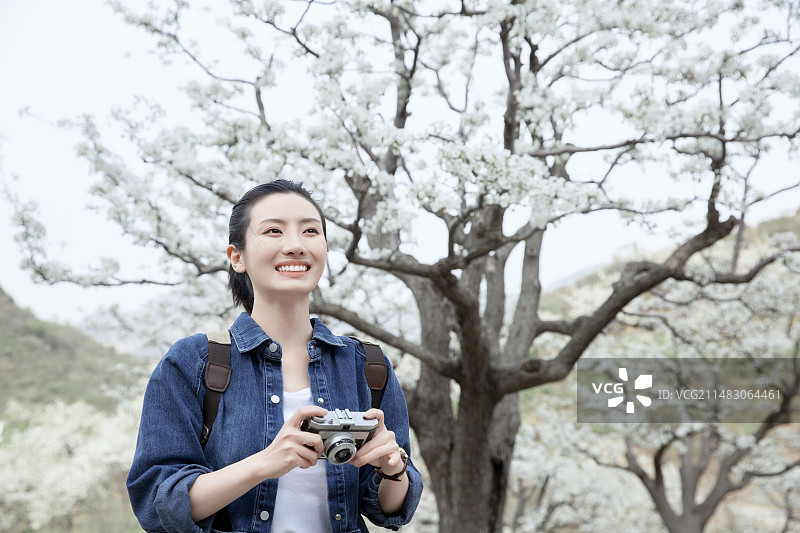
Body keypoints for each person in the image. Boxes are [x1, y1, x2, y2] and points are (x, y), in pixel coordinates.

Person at [127, 180, 423, 533]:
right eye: (273, 231)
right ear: (238, 257)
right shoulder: (194, 362)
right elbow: (158, 501)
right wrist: (266, 462)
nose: (296, 245)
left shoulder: (367, 365)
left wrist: (394, 470)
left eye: (310, 231)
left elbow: (388, 509)